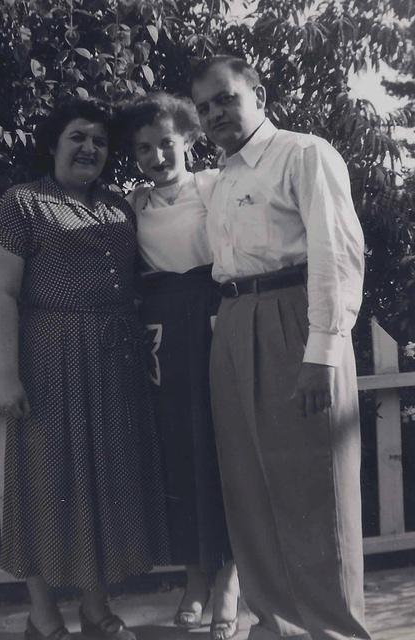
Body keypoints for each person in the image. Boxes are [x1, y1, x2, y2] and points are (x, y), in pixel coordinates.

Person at [190, 56, 371, 640]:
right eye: (204, 107)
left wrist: (320, 352)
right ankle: (276, 626)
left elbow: (336, 254)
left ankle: (334, 632)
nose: (215, 113)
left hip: (296, 319)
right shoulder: (222, 177)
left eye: (225, 98)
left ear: (257, 94)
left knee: (311, 487)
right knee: (249, 488)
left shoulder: (302, 154)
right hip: (235, 319)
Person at [0, 97, 170, 640]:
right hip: (49, 355)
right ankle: (43, 614)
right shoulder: (22, 203)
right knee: (45, 479)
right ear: (52, 144)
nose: (89, 148)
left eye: (99, 141)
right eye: (76, 137)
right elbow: (1, 294)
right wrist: (7, 374)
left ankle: (95, 606)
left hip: (114, 361)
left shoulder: (118, 208)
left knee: (103, 482)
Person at [118, 92, 239, 640]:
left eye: (165, 142)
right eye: (144, 148)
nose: (156, 156)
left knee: (227, 447)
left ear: (188, 138)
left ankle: (230, 581)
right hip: (163, 330)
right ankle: (194, 578)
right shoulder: (131, 202)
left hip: (216, 313)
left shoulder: (217, 184)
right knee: (181, 453)